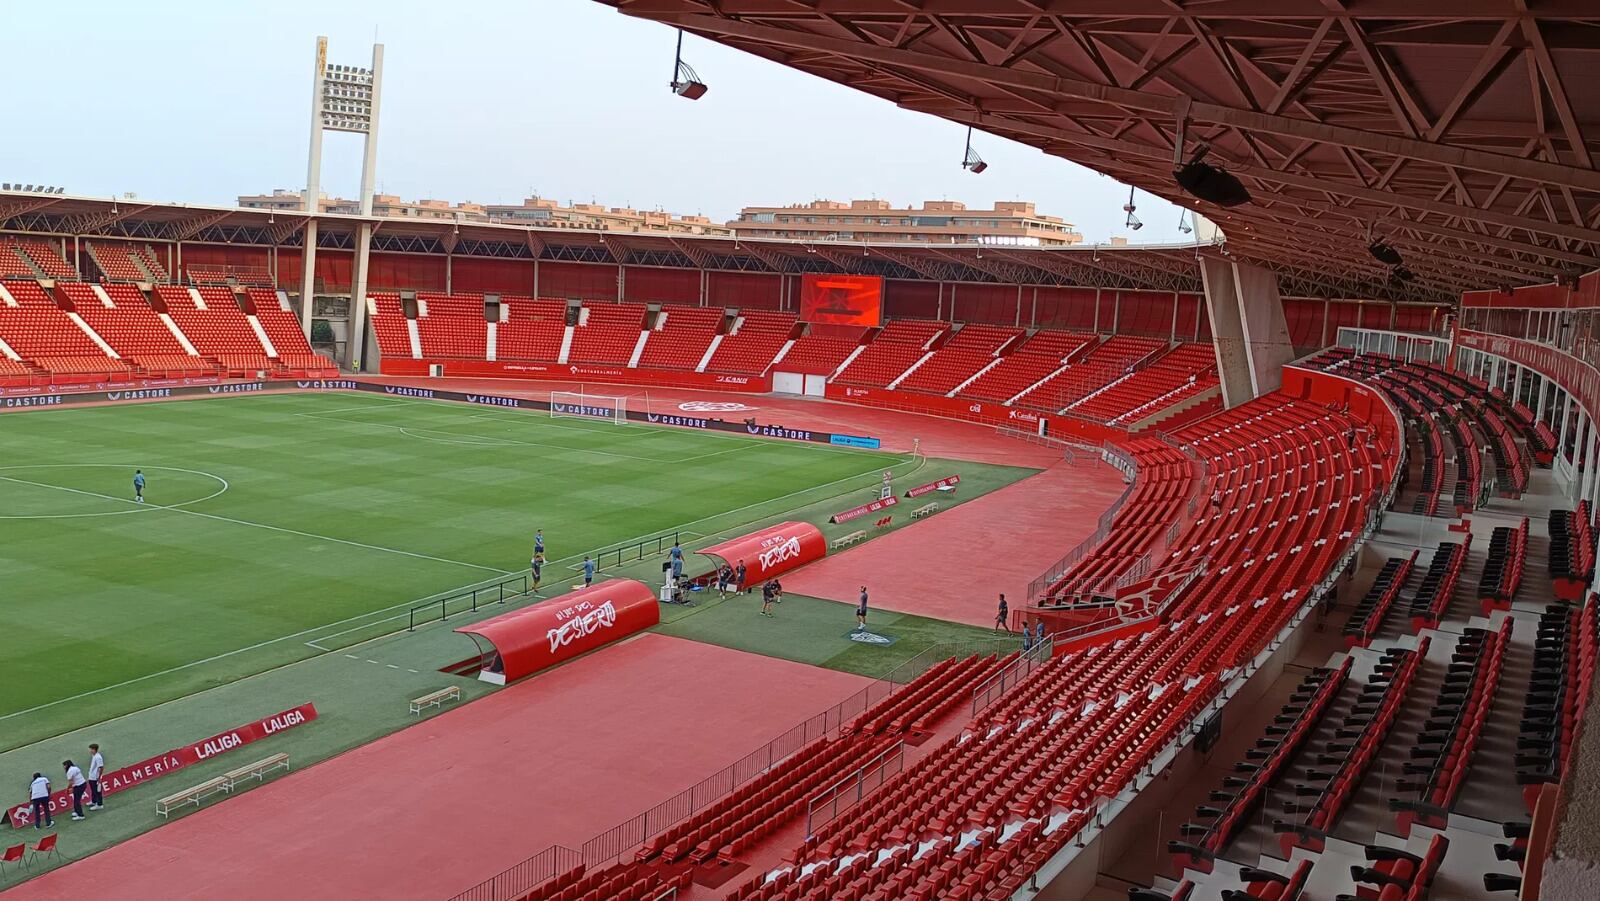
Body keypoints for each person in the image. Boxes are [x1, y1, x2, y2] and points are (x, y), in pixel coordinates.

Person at [87, 744, 105, 810]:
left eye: (91, 749)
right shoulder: (94, 756)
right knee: (93, 790)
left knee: (97, 791)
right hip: (92, 776)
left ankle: (99, 804)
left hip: (95, 777)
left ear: (94, 749)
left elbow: (101, 767)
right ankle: (94, 801)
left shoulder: (98, 757)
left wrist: (99, 777)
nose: (90, 751)